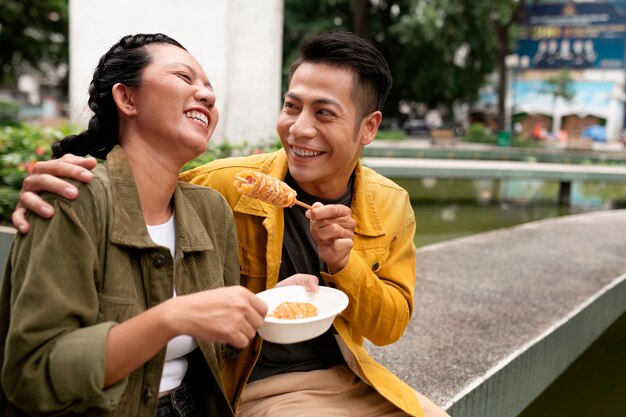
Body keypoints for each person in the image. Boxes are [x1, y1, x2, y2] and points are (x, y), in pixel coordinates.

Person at [12, 31, 450, 417]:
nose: (299, 129)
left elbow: (388, 327)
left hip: (344, 374)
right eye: (291, 106)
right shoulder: (222, 187)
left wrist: (330, 270)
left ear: (368, 127)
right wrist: (44, 182)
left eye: (324, 113)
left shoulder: (210, 209)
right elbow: (135, 192)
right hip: (250, 390)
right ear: (127, 98)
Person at [0, 33, 270, 416]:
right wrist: (170, 318)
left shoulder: (212, 210)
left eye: (209, 86)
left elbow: (221, 343)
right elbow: (32, 376)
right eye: (184, 77)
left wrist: (266, 303)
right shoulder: (73, 200)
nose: (207, 95)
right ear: (127, 98)